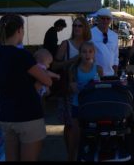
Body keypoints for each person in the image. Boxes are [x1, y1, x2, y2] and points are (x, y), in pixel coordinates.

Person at [0, 14, 54, 161]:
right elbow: (47, 81)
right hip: (28, 115)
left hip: (6, 114)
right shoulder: (22, 55)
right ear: (19, 30)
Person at [52, 16, 91, 161]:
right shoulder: (66, 44)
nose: (77, 28)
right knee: (70, 125)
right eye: (75, 26)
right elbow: (54, 66)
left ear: (85, 28)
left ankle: (79, 154)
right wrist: (72, 61)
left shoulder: (89, 45)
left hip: (86, 92)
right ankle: (71, 155)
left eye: (80, 26)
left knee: (83, 125)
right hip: (69, 90)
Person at [68, 41, 103, 161]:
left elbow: (100, 89)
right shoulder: (74, 69)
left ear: (94, 53)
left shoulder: (98, 69)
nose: (87, 54)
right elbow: (72, 88)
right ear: (80, 54)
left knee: (94, 136)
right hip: (78, 106)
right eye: (84, 52)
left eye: (90, 51)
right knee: (75, 137)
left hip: (93, 107)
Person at [91, 8, 119, 77]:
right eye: (103, 18)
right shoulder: (90, 33)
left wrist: (115, 72)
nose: (105, 21)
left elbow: (115, 55)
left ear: (110, 20)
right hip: (94, 75)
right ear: (97, 19)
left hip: (111, 75)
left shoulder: (114, 36)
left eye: (108, 18)